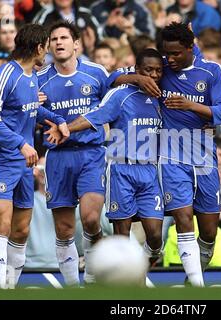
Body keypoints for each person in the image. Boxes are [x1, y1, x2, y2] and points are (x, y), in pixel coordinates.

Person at [108, 22, 221, 286]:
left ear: (190, 48)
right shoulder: (160, 69)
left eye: (176, 54)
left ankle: (191, 276)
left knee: (209, 232)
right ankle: (198, 286)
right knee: (183, 218)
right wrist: (137, 78)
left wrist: (192, 106)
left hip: (204, 155)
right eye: (167, 53)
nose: (170, 59)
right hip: (170, 156)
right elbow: (110, 78)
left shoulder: (211, 71)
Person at [0, 23, 69, 289]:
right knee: (2, 226)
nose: (49, 53)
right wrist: (21, 143)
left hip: (23, 162)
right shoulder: (6, 74)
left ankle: (10, 287)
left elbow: (30, 110)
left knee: (21, 230)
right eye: (47, 47)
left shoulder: (32, 76)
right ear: (39, 47)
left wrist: (57, 119)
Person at [65, 48, 165, 269]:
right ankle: (125, 281)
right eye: (149, 70)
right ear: (137, 70)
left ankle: (140, 270)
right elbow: (95, 115)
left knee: (156, 236)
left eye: (158, 70)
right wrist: (66, 128)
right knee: (122, 235)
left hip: (149, 171)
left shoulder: (162, 94)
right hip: (121, 169)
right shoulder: (121, 94)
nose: (155, 75)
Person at [37, 20, 108, 286]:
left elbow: (110, 106)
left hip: (91, 154)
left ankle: (91, 275)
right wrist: (33, 104)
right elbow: (26, 114)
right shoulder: (39, 79)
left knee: (91, 218)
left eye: (64, 37)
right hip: (58, 157)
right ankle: (72, 288)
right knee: (64, 229)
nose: (58, 42)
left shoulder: (96, 73)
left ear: (76, 43)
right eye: (53, 39)